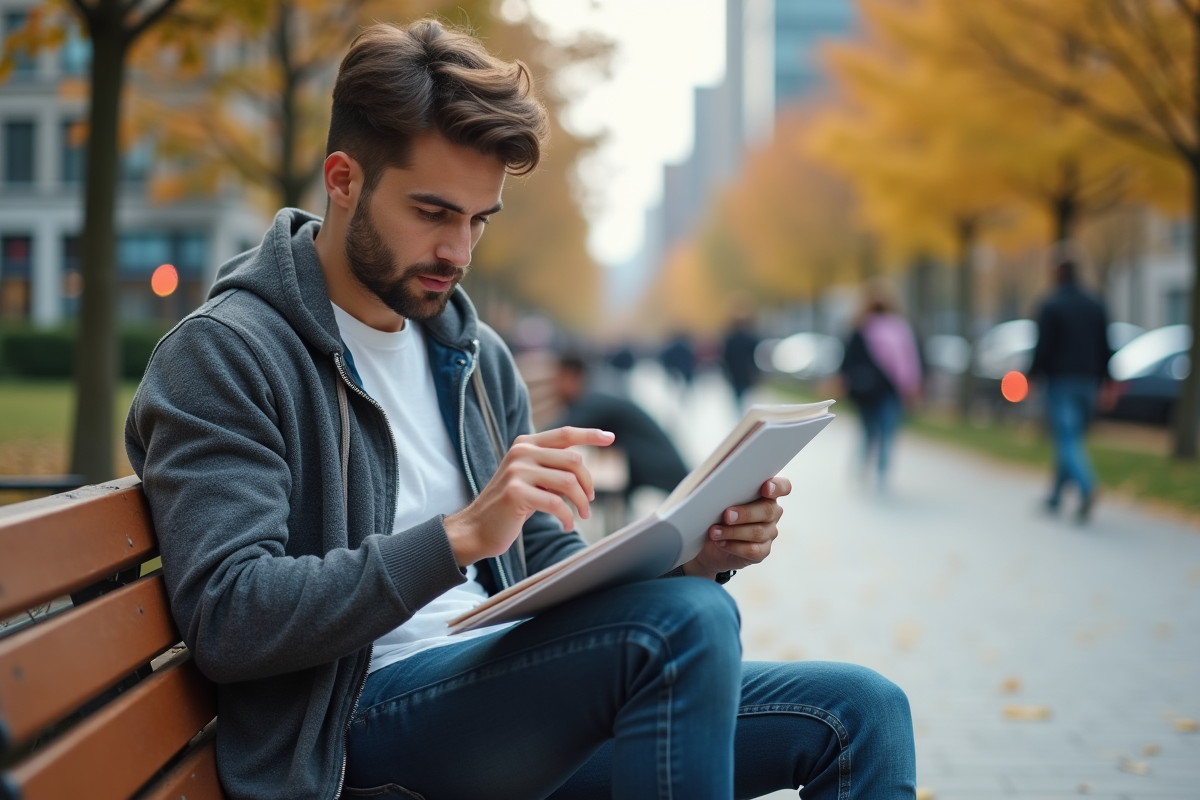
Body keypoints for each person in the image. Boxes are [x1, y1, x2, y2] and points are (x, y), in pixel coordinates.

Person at [125, 20, 915, 800]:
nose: (459, 253)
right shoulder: (227, 354)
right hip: (348, 722)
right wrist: (461, 536)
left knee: (862, 711)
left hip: (511, 700)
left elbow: (538, 555)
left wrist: (692, 557)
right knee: (678, 625)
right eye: (433, 213)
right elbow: (229, 615)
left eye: (477, 220)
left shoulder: (472, 357)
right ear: (343, 181)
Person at [1028, 253, 1112, 523]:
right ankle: (1055, 496)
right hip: (1088, 382)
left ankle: (1087, 487)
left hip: (1061, 381)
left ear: (1057, 272)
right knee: (1070, 436)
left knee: (1066, 438)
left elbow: (1043, 347)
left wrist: (1032, 375)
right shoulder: (1095, 304)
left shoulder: (1051, 305)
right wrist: (1107, 381)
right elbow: (1105, 345)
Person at [554, 353, 689, 499]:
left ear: (571, 377)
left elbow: (560, 431)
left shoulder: (593, 400)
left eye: (558, 380)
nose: (556, 388)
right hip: (662, 473)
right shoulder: (601, 392)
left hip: (663, 476)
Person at [839, 282, 922, 490]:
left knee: (867, 432)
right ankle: (881, 474)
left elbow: (847, 361)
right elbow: (908, 361)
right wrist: (911, 386)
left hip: (865, 391)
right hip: (889, 391)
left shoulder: (860, 327)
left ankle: (861, 469)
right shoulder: (899, 328)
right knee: (886, 432)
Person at [722, 313, 762, 412]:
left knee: (738, 398)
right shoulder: (749, 338)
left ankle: (741, 414)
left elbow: (725, 358)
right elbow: (754, 358)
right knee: (746, 398)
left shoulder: (730, 339)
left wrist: (726, 373)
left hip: (734, 373)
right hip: (746, 373)